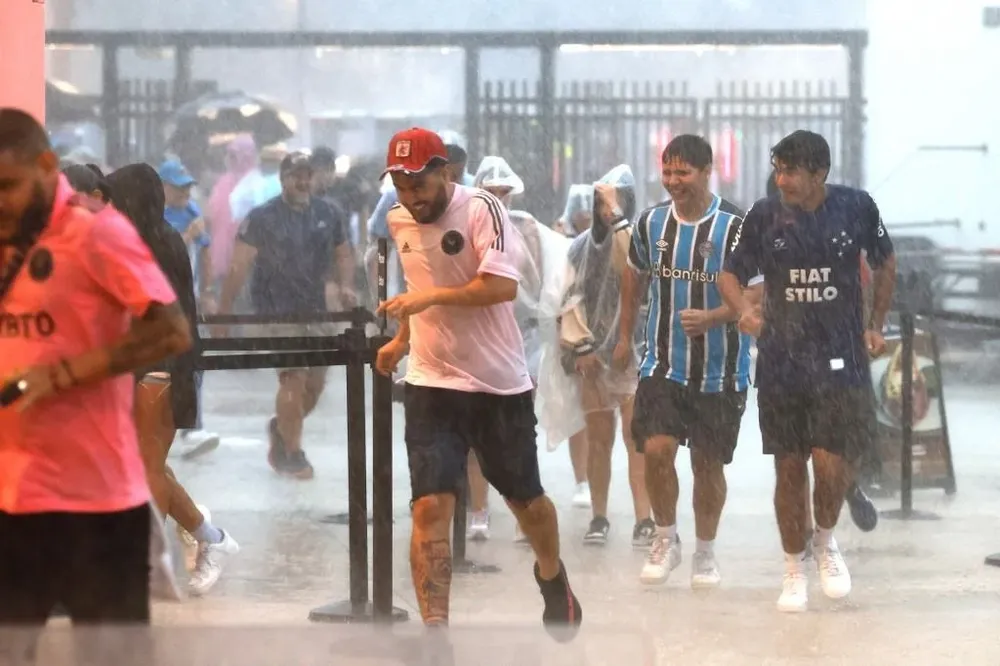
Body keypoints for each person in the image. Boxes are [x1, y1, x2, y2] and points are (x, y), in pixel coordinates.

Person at [374, 128, 582, 650]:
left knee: (526, 502)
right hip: (431, 382)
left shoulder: (482, 208)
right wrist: (403, 338)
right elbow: (418, 285)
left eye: (419, 184)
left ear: (444, 172)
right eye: (400, 186)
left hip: (497, 386)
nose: (411, 197)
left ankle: (552, 575)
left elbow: (502, 287)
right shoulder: (398, 219)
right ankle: (435, 635)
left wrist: (427, 302)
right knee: (429, 506)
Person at [0, 108, 191, 661]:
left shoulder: (98, 232)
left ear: (45, 166)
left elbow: (170, 330)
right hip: (12, 498)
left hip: (98, 503)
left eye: (9, 186)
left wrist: (64, 374)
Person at [718, 130, 897, 613]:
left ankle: (825, 540)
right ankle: (793, 566)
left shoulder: (857, 207)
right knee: (790, 468)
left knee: (831, 464)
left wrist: (876, 324)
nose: (782, 180)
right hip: (782, 362)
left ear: (820, 173)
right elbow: (729, 273)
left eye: (792, 171)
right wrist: (744, 311)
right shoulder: (763, 215)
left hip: (841, 358)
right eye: (778, 170)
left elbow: (886, 261)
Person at [618, 135, 752, 588]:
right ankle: (665, 538)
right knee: (657, 450)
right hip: (663, 364)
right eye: (667, 171)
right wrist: (623, 337)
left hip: (721, 371)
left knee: (707, 465)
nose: (673, 181)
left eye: (684, 172)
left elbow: (757, 294)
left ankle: (705, 552)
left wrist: (713, 317)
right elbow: (633, 278)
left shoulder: (736, 227)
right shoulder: (650, 223)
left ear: (707, 171)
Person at [107, 164, 240, 596]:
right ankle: (210, 537)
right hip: (149, 365)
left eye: (117, 200)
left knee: (148, 471)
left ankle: (146, 567)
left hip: (162, 367)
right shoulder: (149, 239)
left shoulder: (158, 244)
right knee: (147, 468)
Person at [218, 151, 357, 480]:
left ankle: (282, 427)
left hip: (317, 310)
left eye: (307, 175)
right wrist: (224, 311)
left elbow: (343, 253)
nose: (303, 181)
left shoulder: (329, 213)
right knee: (293, 377)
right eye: (296, 175)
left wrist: (346, 286)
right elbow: (239, 265)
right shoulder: (263, 217)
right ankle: (293, 454)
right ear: (282, 179)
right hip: (277, 310)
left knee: (315, 386)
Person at [560, 165, 653, 547]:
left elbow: (634, 266)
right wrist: (581, 349)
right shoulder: (579, 248)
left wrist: (617, 219)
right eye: (601, 202)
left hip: (634, 355)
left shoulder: (637, 239)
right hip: (593, 361)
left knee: (637, 438)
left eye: (615, 201)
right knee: (600, 440)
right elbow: (569, 299)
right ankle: (598, 517)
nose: (605, 209)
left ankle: (644, 519)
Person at [157, 157, 221, 458]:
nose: (185, 193)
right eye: (178, 187)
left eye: (187, 187)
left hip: (188, 300)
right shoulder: (155, 216)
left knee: (194, 362)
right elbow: (162, 255)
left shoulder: (192, 211)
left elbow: (205, 252)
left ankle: (191, 426)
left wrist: (207, 291)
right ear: (163, 187)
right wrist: (188, 236)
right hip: (160, 302)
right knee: (162, 366)